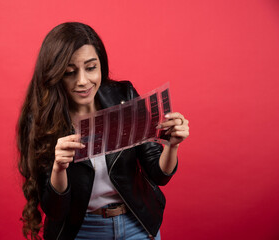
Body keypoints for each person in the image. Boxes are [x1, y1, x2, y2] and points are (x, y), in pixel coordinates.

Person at [17, 22, 189, 240]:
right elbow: (55, 210)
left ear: (101, 66)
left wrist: (172, 145)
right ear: (55, 74)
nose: (82, 81)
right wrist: (58, 168)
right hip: (81, 231)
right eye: (70, 72)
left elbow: (158, 174)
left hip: (136, 224)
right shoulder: (41, 119)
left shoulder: (122, 96)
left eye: (91, 68)